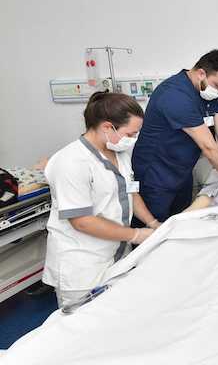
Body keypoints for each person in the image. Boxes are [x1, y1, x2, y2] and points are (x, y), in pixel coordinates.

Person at [43, 92, 160, 308]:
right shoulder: (71, 162)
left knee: (113, 320)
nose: (133, 140)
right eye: (130, 134)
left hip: (115, 255)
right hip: (82, 265)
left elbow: (131, 192)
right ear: (108, 127)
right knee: (82, 329)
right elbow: (81, 221)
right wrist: (136, 234)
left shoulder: (120, 154)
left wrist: (153, 224)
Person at [131, 49, 218, 229]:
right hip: (156, 174)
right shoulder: (175, 96)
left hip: (182, 172)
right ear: (201, 73)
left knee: (181, 225)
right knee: (152, 232)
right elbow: (208, 146)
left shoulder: (210, 92)